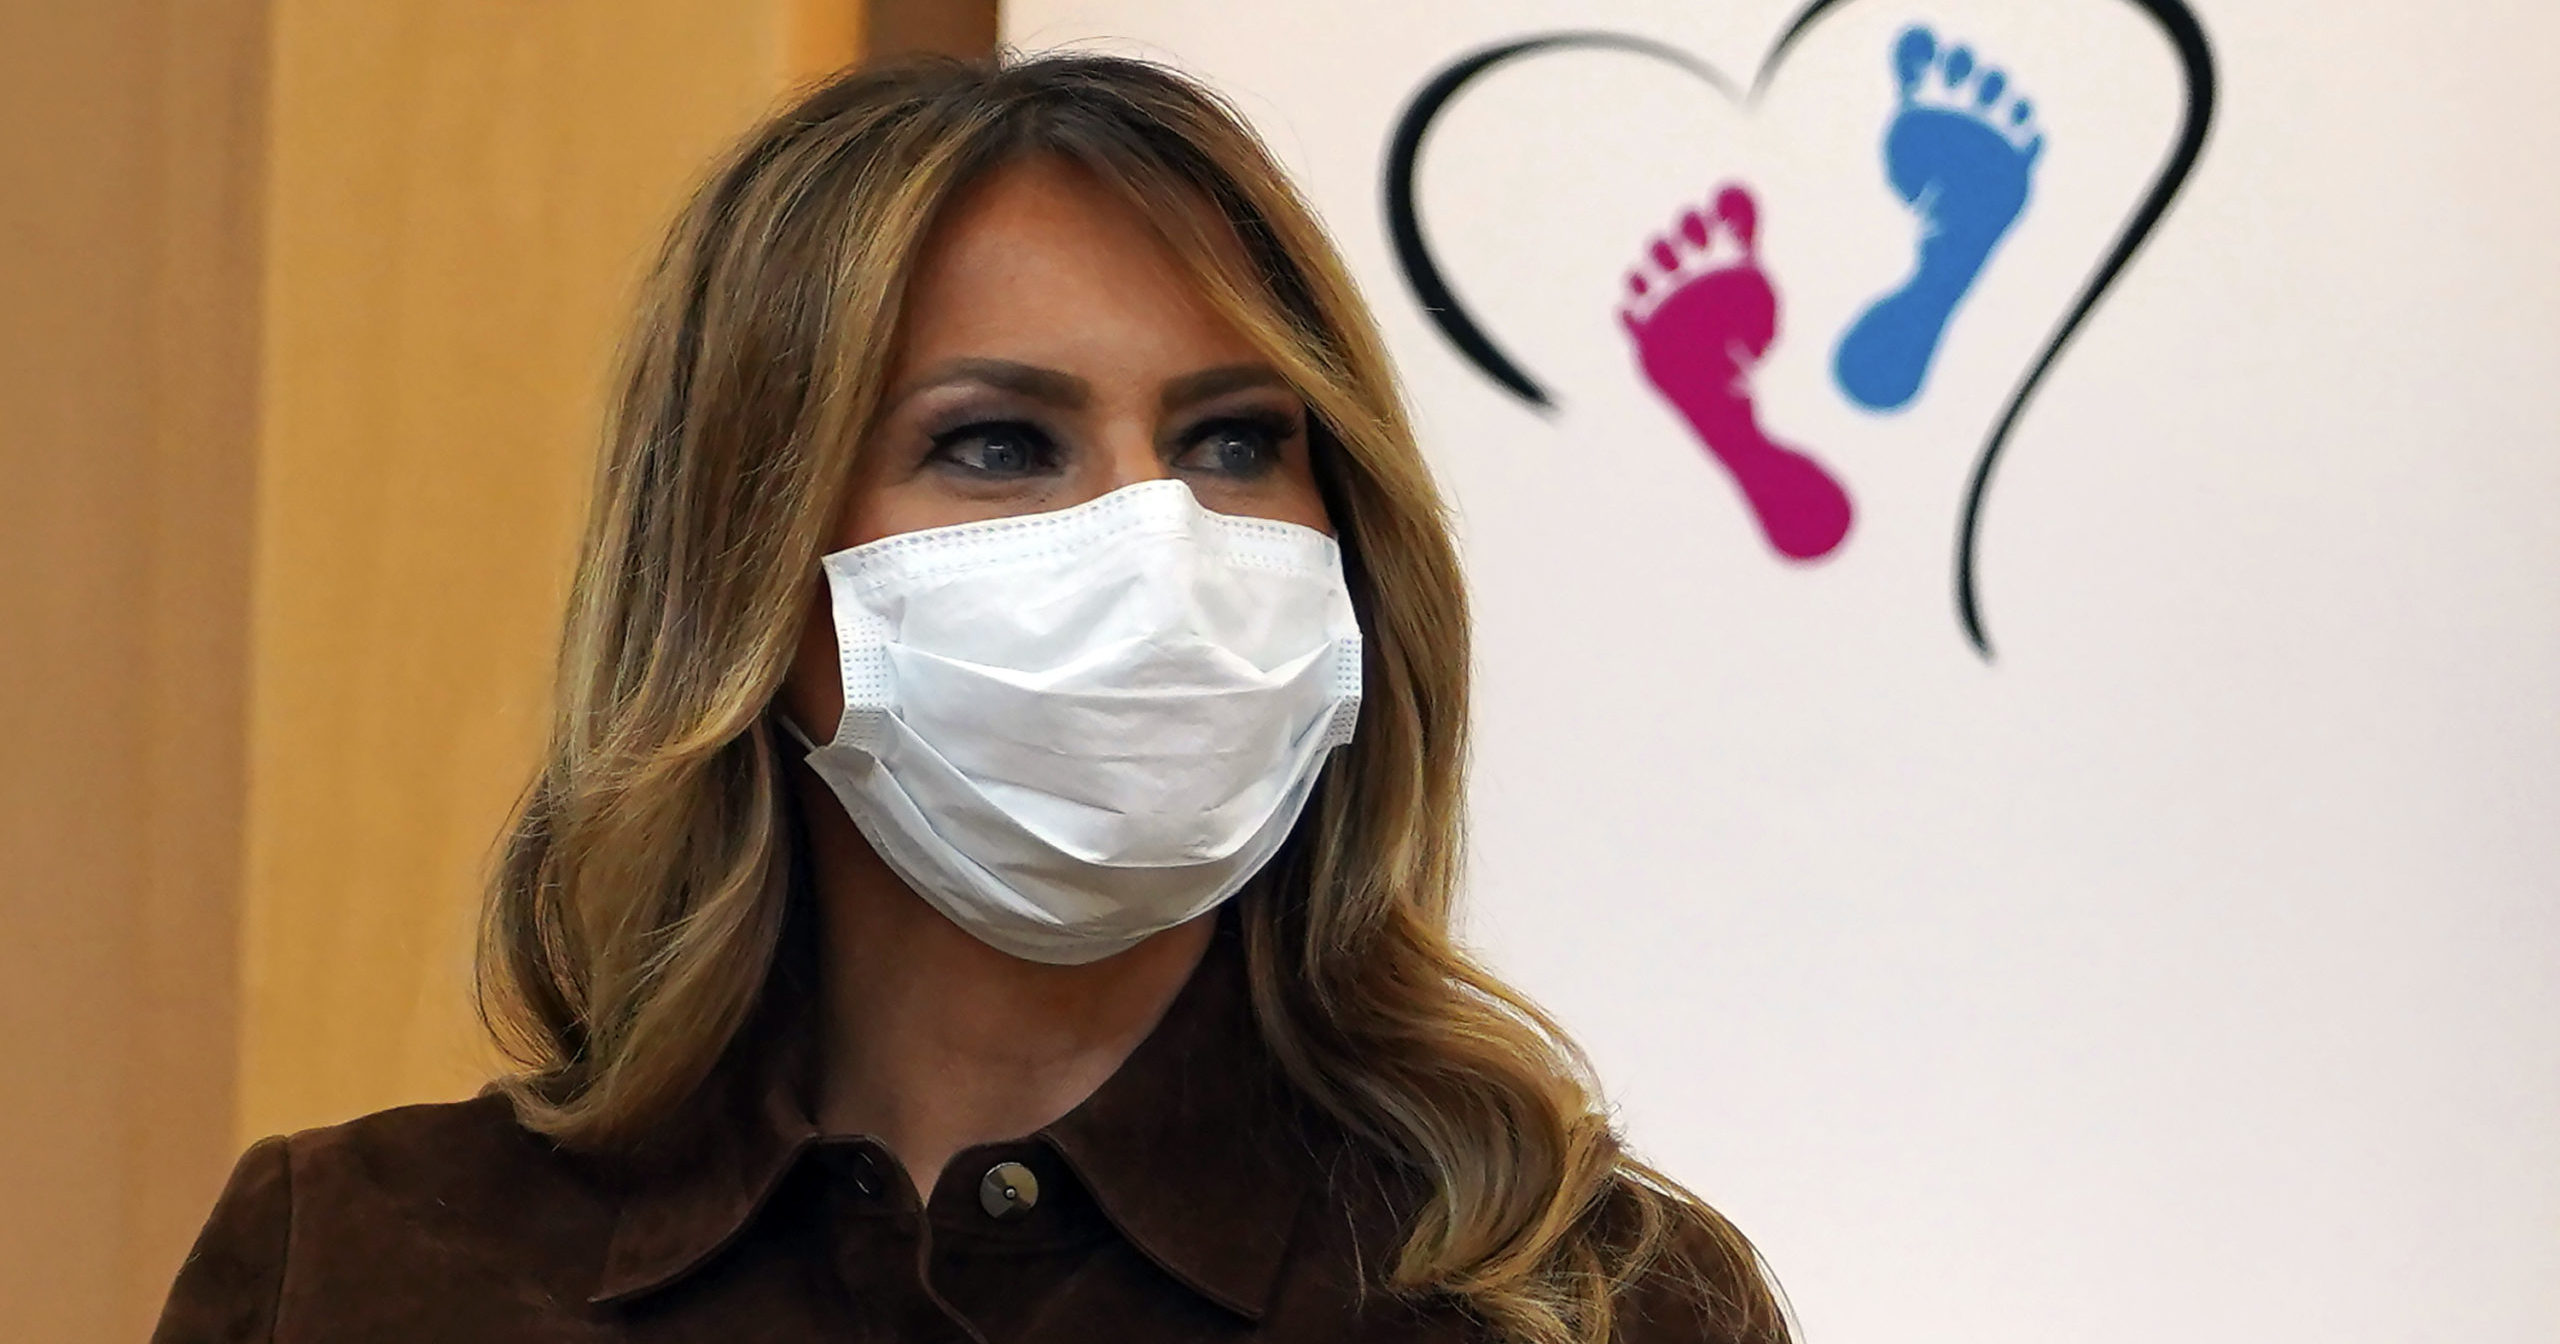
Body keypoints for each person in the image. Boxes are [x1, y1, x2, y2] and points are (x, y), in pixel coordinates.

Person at [152, 54, 1788, 1344]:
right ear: (747, 564)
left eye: (1234, 441)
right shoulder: (358, 1271)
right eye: (999, 444)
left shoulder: (1587, 1305)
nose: (1160, 538)